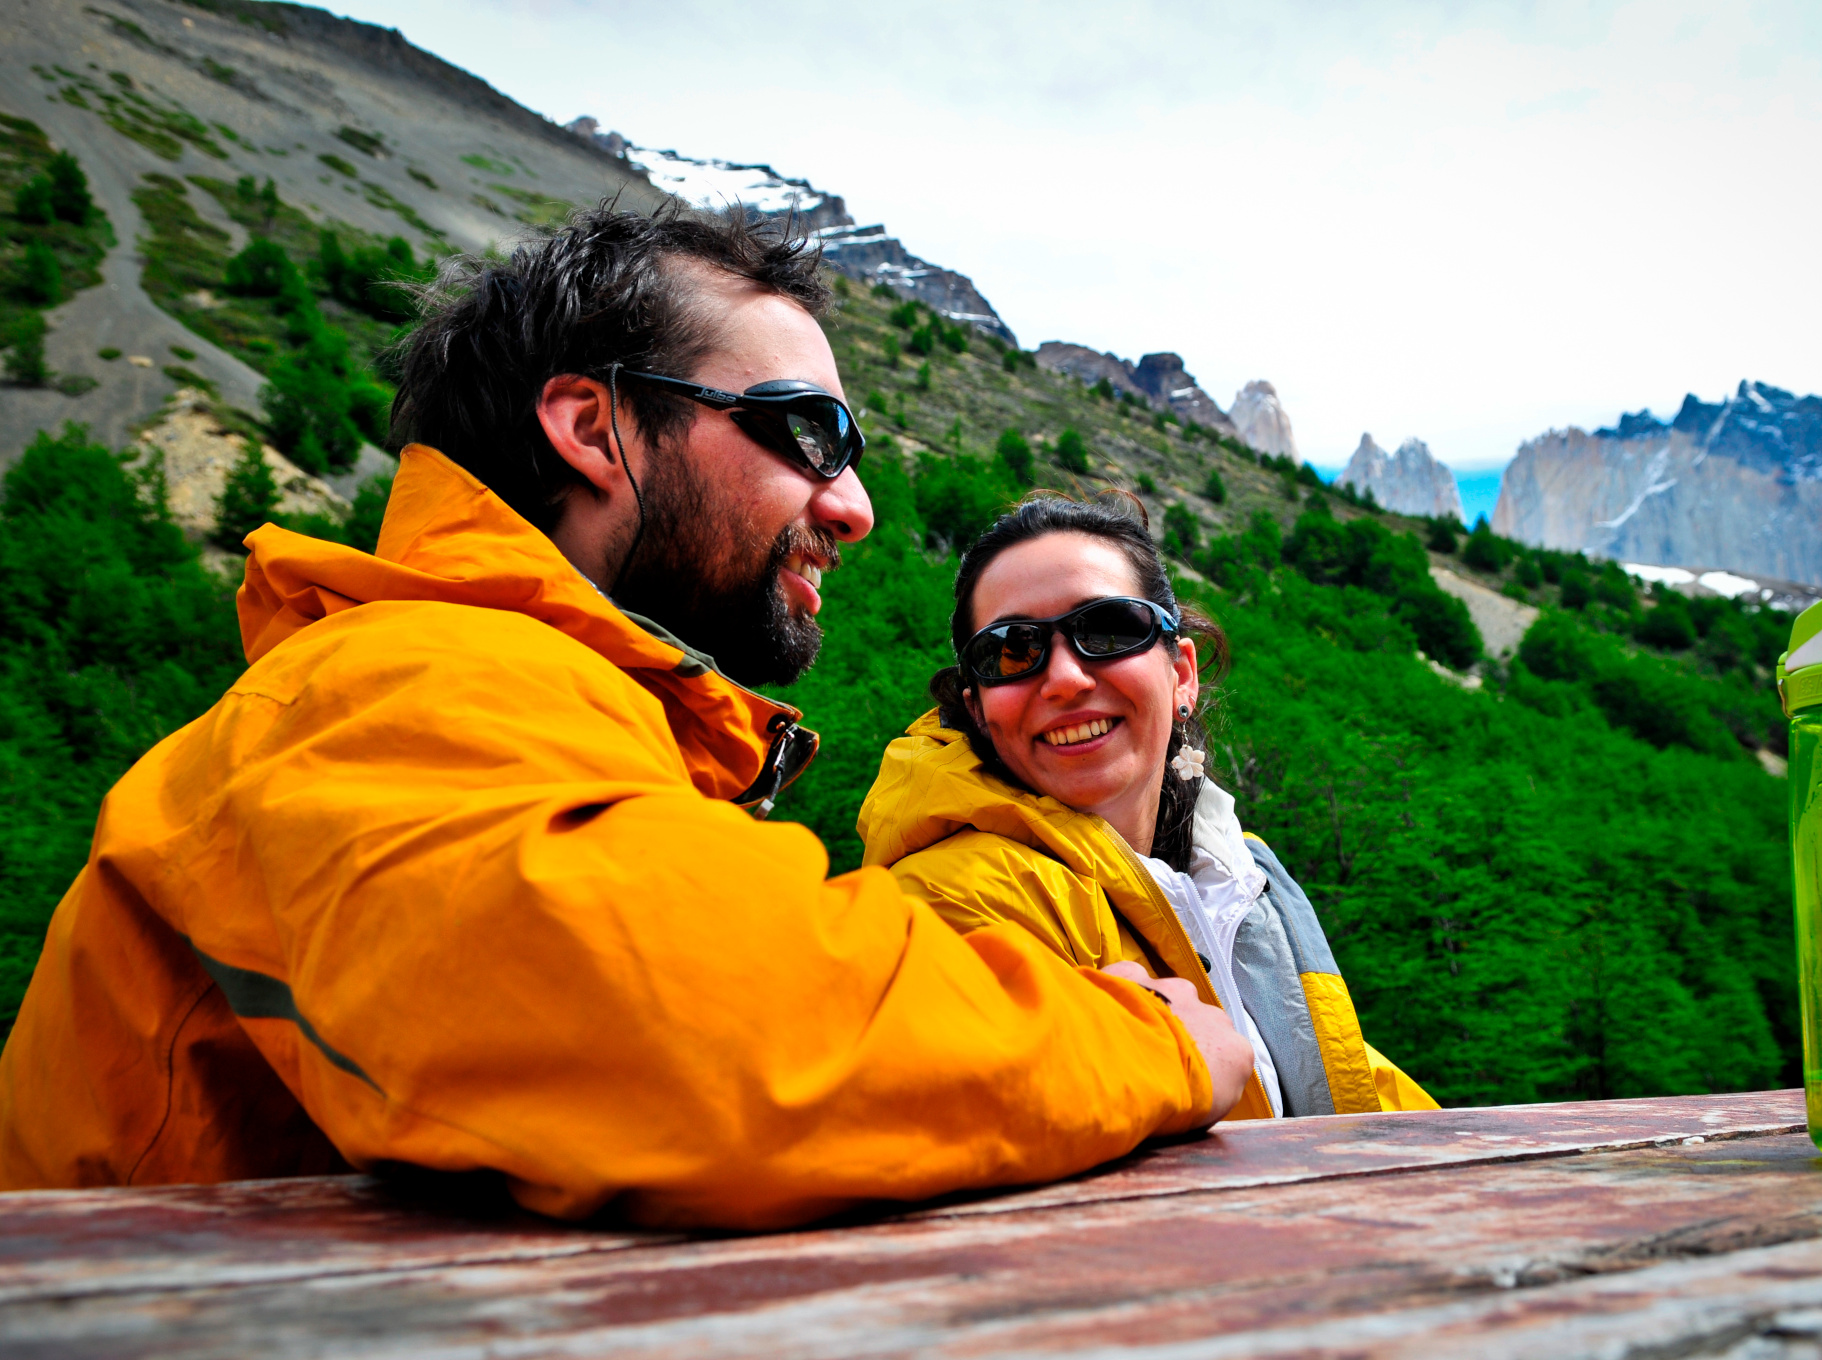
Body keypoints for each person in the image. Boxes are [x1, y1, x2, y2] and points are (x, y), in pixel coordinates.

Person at [0, 203, 1255, 1228]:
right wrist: (1148, 1041)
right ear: (593, 428)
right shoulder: (398, 682)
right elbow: (712, 1033)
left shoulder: (509, 697)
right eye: (806, 433)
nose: (853, 507)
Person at [859, 496, 1436, 1119]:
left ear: (1182, 674)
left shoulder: (1236, 883)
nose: (1066, 678)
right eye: (1012, 649)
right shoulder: (951, 899)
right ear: (977, 708)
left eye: (1107, 629)